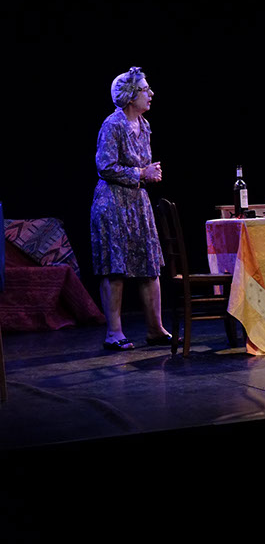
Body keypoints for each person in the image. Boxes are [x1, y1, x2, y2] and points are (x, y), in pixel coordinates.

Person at [90, 66, 174, 350]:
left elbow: (142, 163)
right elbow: (105, 167)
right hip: (112, 203)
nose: (151, 93)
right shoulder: (113, 125)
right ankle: (114, 333)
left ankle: (155, 329)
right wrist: (141, 173)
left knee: (150, 264)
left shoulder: (144, 124)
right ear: (130, 95)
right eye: (145, 89)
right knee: (115, 267)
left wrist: (149, 173)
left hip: (138, 202)